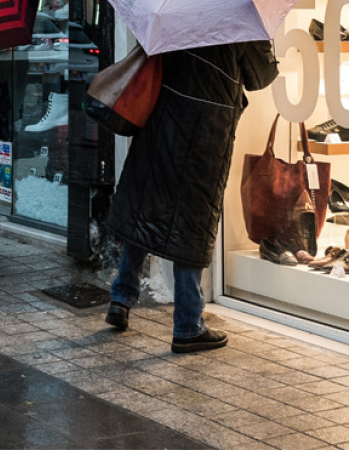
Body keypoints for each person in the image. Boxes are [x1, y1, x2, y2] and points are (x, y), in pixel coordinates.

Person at [103, 41, 278, 353]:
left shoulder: (175, 8)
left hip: (163, 118)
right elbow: (260, 77)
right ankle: (187, 324)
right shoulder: (237, 16)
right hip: (207, 130)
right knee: (193, 221)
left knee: (146, 205)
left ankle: (121, 298)